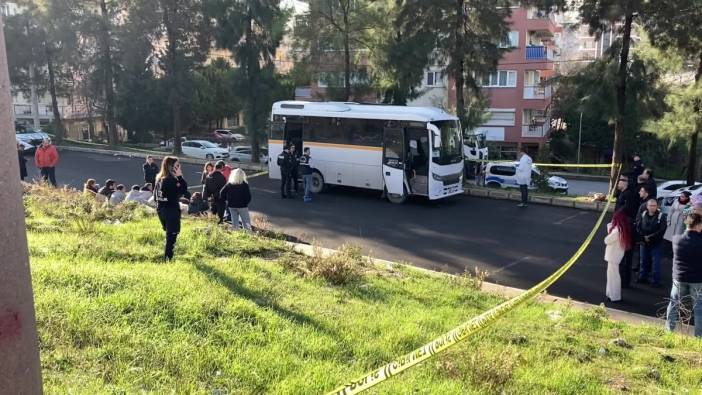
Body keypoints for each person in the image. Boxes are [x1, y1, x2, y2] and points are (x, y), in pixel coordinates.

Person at [665, 213, 702, 337]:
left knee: (674, 305)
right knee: (699, 309)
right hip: (697, 279)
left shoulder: (676, 239)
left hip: (679, 278)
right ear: (698, 225)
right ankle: (699, 337)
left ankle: (668, 332)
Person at [153, 156, 188, 260]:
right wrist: (180, 177)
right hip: (171, 210)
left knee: (169, 234)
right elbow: (183, 190)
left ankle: (167, 257)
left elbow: (155, 197)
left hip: (161, 209)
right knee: (172, 236)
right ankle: (168, 259)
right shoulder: (171, 180)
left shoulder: (159, 178)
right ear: (171, 166)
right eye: (177, 165)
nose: (179, 167)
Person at [636, 199, 667, 287]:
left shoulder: (661, 216)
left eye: (654, 205)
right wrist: (643, 236)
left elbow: (662, 230)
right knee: (643, 261)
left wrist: (650, 237)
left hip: (656, 243)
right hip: (644, 242)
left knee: (656, 263)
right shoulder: (643, 214)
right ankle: (642, 278)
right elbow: (638, 226)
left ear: (657, 206)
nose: (652, 207)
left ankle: (655, 281)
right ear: (647, 206)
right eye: (650, 205)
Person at [614, 175, 639, 288]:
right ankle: (622, 279)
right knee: (622, 256)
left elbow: (627, 210)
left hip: (627, 228)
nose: (618, 182)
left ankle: (624, 281)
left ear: (627, 182)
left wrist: (617, 217)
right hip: (622, 226)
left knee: (625, 256)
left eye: (621, 180)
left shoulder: (629, 195)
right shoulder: (622, 193)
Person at [604, 210, 633, 302]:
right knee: (612, 275)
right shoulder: (622, 229)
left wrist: (609, 229)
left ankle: (614, 296)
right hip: (616, 255)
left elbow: (607, 240)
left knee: (613, 276)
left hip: (613, 256)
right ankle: (611, 294)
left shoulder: (616, 231)